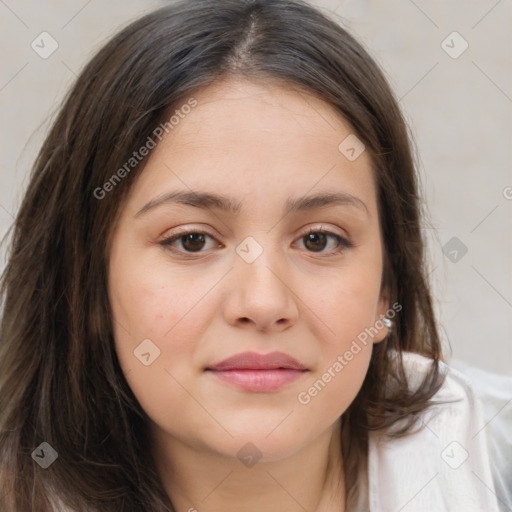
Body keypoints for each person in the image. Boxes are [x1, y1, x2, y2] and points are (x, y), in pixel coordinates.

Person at [0, 0, 506, 510]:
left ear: (387, 289)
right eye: (192, 240)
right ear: (88, 280)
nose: (263, 303)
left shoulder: (492, 464)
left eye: (318, 240)